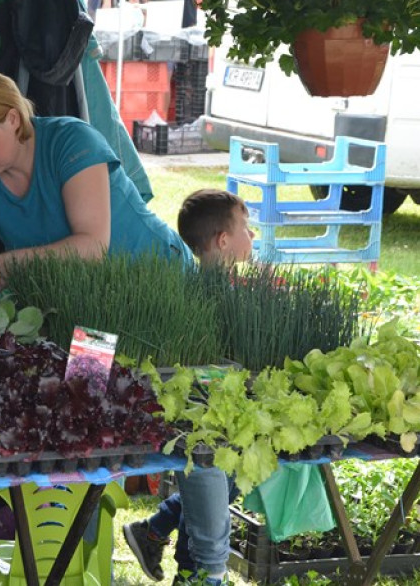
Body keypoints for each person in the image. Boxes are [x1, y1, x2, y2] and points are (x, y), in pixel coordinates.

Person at [0, 66, 192, 286]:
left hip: (161, 282)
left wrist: (6, 264)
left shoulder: (71, 142)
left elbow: (91, 247)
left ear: (12, 119)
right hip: (86, 300)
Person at [124, 189, 254, 585]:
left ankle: (156, 528)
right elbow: (192, 370)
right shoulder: (194, 299)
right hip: (198, 430)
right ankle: (166, 541)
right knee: (211, 538)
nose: (253, 238)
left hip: (226, 425)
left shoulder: (232, 295)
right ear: (222, 241)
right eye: (247, 229)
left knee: (227, 491)